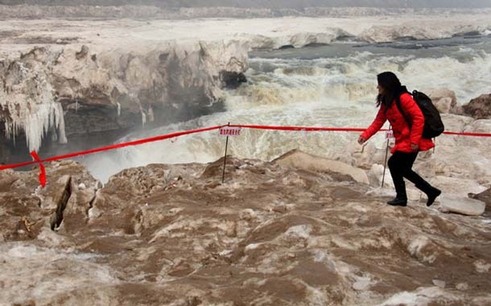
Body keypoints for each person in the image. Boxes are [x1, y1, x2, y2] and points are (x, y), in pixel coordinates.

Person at [358, 71, 441, 207]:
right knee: (403, 168)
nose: (377, 88)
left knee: (394, 164)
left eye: (379, 85)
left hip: (413, 140)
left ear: (387, 85)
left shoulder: (403, 98)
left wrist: (414, 141)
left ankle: (404, 197)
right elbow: (378, 121)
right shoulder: (387, 101)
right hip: (403, 140)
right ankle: (429, 191)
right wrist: (365, 135)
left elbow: (418, 118)